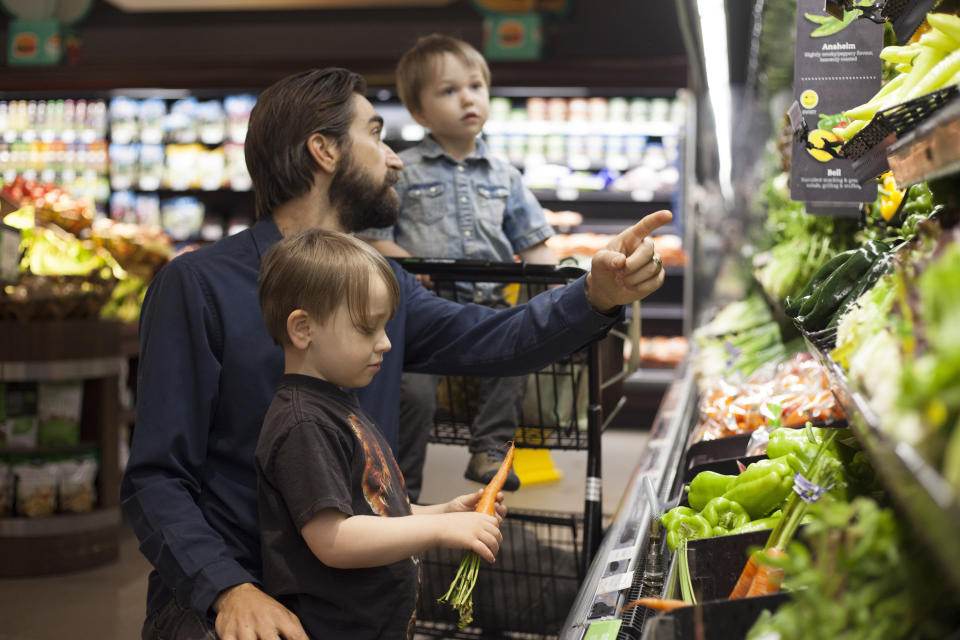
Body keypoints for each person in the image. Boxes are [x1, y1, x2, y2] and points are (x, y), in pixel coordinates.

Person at [121, 65, 670, 640]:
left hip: (351, 604)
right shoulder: (197, 287)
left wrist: (594, 295)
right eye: (378, 135)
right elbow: (156, 479)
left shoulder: (381, 285)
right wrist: (228, 591)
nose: (397, 158)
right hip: (229, 606)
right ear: (323, 151)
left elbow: (493, 339)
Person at [255, 228, 505, 638]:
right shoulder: (305, 424)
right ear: (303, 329)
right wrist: (438, 531)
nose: (386, 343)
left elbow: (374, 512)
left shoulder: (337, 405)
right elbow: (334, 538)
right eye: (366, 328)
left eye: (385, 327)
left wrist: (445, 512)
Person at [357, 34, 556, 498]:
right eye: (448, 91)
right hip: (421, 313)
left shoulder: (506, 175)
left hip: (488, 307)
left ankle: (489, 448)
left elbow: (536, 244)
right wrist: (409, 262)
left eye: (476, 86)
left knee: (516, 353)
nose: (467, 98)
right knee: (413, 392)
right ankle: (402, 488)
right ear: (420, 112)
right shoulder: (401, 170)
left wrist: (560, 287)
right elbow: (371, 239)